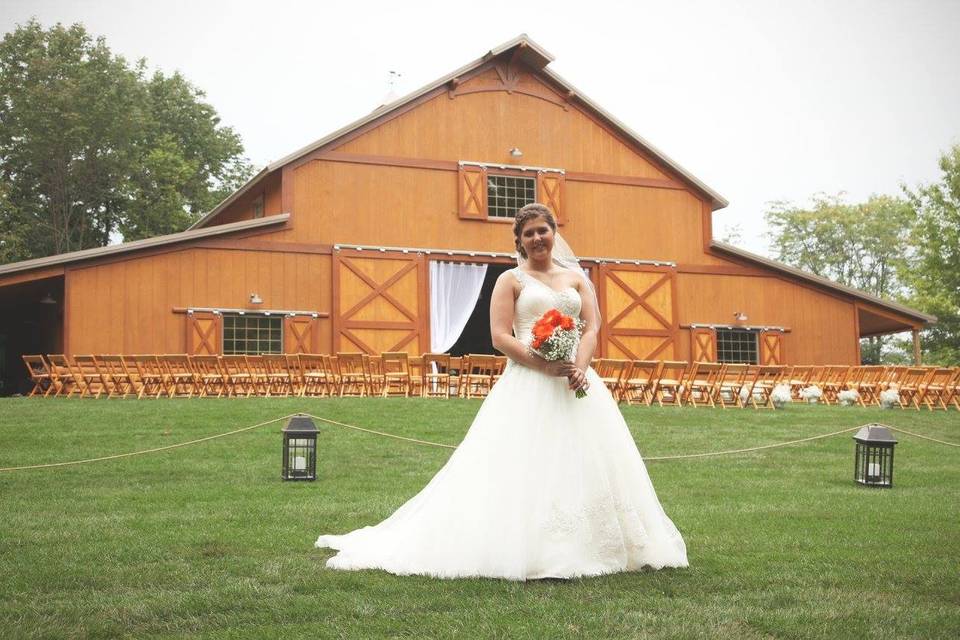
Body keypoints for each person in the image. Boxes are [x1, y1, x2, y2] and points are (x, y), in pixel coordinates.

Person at [315, 203, 688, 580]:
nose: (537, 238)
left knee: (583, 458)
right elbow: (500, 336)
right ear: (520, 242)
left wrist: (579, 367)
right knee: (524, 461)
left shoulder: (576, 278)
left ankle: (594, 543)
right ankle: (529, 545)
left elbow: (590, 328)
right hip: (528, 380)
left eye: (543, 230)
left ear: (554, 233)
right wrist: (543, 364)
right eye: (529, 234)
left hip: (575, 380)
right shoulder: (511, 280)